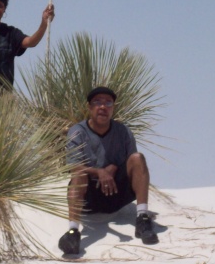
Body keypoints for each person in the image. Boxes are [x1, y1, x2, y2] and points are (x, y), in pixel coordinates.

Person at [58, 86, 159, 255]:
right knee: (79, 174)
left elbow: (131, 161)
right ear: (89, 107)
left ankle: (142, 218)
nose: (103, 107)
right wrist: (99, 172)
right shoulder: (77, 132)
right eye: (97, 102)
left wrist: (114, 167)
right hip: (89, 198)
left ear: (113, 108)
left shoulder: (123, 131)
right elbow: (72, 165)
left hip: (116, 194)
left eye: (108, 103)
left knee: (138, 158)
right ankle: (73, 232)